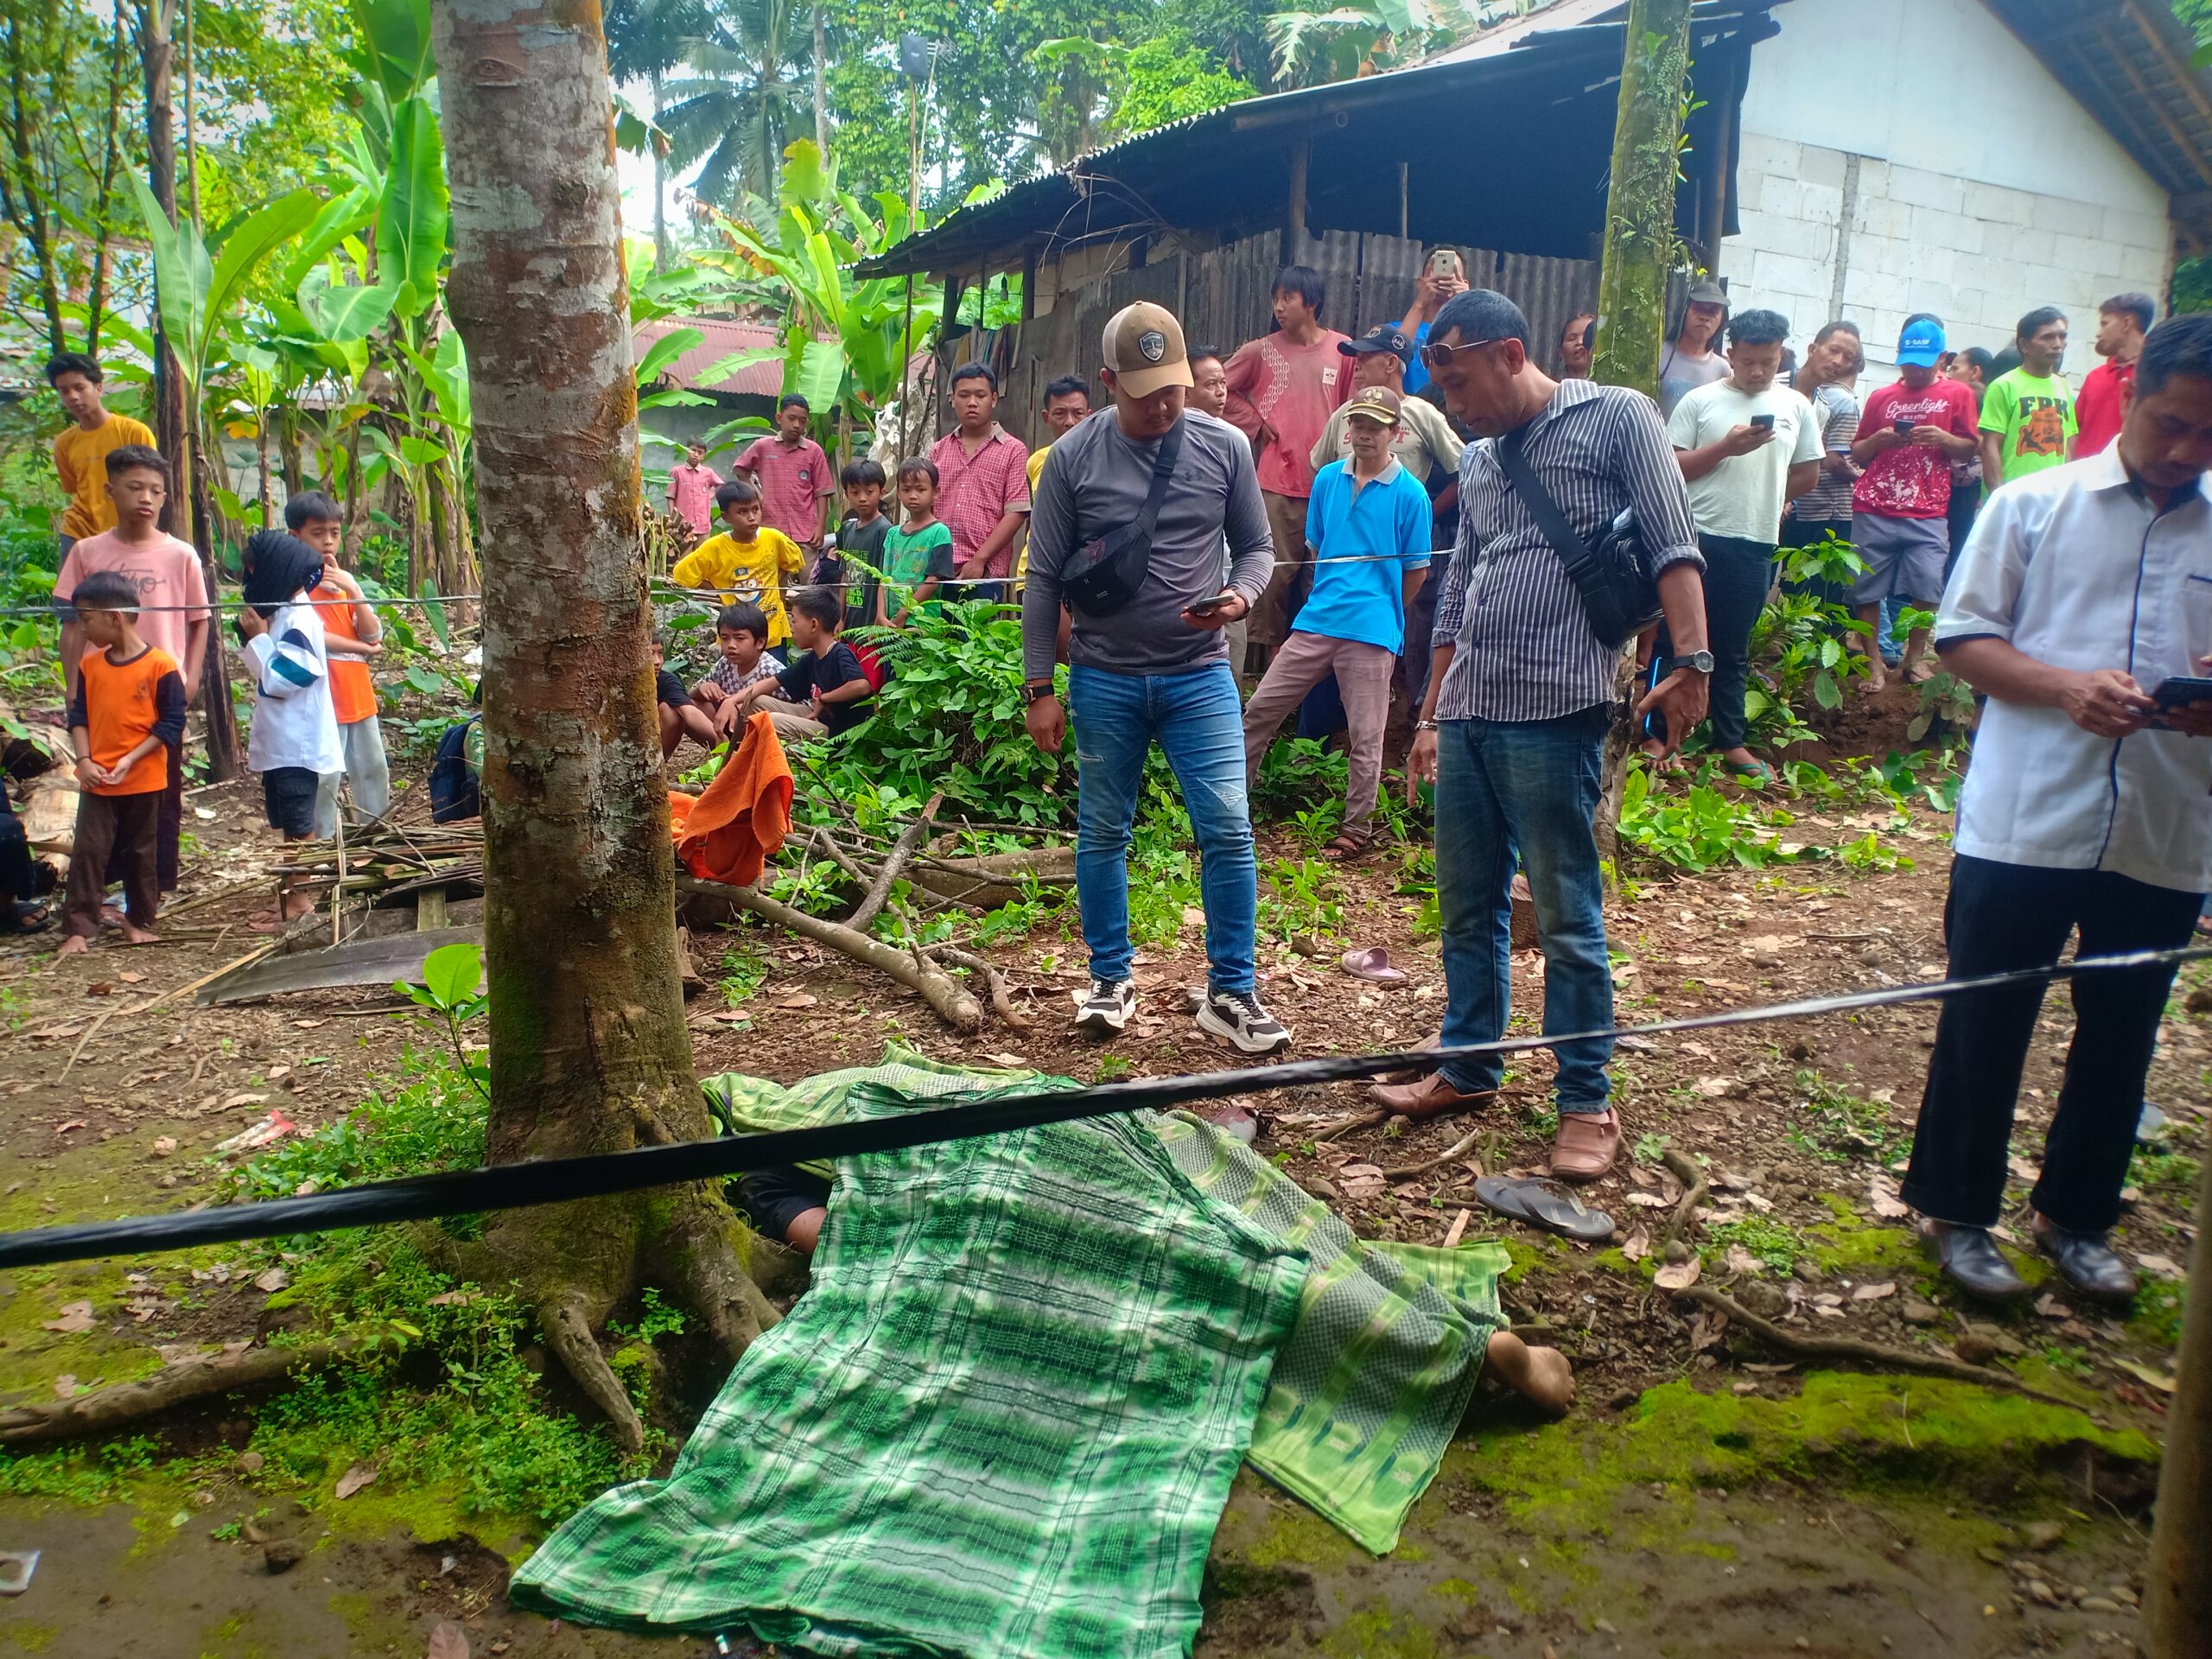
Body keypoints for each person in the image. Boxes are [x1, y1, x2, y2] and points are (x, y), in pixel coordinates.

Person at [1900, 313, 2212, 1307]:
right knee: (1988, 1016)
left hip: (2167, 821)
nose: (2183, 452)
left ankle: (2077, 1217)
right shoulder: (2033, 506)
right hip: (2027, 812)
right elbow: (1962, 640)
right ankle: (1957, 1211)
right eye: (2169, 424)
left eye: (2209, 435)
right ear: (2129, 395)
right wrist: (2064, 688)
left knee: (2124, 1027)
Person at [1374, 289, 1710, 1182]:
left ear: (1510, 352)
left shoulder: (1616, 418)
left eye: (1459, 380)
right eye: (1439, 385)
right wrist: (1430, 713)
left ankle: (1586, 1098)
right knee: (1466, 904)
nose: (1453, 403)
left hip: (1558, 704)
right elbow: (1460, 587)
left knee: (1564, 912)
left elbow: (1675, 541)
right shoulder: (1480, 460)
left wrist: (1696, 660)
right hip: (1473, 706)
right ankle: (1470, 1064)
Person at [1023, 300, 1288, 1055]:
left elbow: (1258, 549)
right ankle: (1110, 976)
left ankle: (1232, 991)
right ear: (1111, 381)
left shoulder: (1225, 446)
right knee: (1104, 830)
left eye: (1174, 386)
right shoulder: (1073, 458)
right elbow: (1042, 582)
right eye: (1147, 393)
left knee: (1230, 830)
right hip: (1104, 675)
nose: (1167, 403)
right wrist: (1040, 690)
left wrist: (1240, 596)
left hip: (1199, 673)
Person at [1243, 387, 1430, 856]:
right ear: (1348, 430)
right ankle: (1231, 808)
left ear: (1395, 432)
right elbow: (1315, 547)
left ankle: (1355, 832)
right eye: (1358, 424)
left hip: (1372, 629)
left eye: (1375, 426)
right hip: (1318, 618)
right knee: (1260, 711)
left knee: (1367, 736)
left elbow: (1417, 571)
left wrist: (1384, 609)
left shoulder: (1411, 494)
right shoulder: (1327, 479)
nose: (1364, 434)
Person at [1661, 308, 1822, 778]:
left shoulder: (1797, 406)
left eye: (1767, 362)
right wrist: (1726, 449)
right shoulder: (1699, 400)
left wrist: (1771, 498)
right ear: (1730, 353)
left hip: (1754, 540)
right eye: (1748, 360)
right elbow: (1672, 469)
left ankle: (1730, 741)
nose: (1756, 371)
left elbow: (1808, 474)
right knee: (1677, 641)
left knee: (1732, 649)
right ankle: (1661, 737)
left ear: (1781, 357)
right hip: (1692, 538)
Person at [53, 445, 207, 897]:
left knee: (160, 787)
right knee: (103, 785)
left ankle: (153, 885)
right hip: (103, 688)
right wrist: (73, 684)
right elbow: (72, 626)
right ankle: (103, 882)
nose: (146, 497)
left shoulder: (181, 556)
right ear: (110, 489)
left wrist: (191, 676)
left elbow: (199, 622)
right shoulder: (87, 551)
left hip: (160, 687)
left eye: (156, 490)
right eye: (135, 486)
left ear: (164, 499)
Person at [1845, 316, 1980, 690]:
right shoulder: (1881, 398)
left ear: (1942, 359)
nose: (1914, 372)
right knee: (1866, 589)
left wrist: (1943, 438)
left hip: (1929, 508)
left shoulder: (1958, 395)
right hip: (1874, 505)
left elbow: (1971, 447)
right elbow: (1857, 451)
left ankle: (1914, 660)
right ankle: (1874, 664)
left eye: (1922, 365)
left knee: (1928, 588)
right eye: (1907, 364)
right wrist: (1879, 442)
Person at [1224, 266, 1352, 657]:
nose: (1279, 307)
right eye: (1276, 298)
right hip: (1276, 482)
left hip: (1330, 486)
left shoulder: (1343, 350)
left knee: (1319, 580)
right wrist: (1256, 423)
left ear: (1310, 302)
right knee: (1274, 579)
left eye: (1288, 298)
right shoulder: (1261, 351)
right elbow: (1219, 389)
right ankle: (1264, 681)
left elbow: (1351, 407)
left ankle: (1306, 679)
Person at [57, 572, 185, 955]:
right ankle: (79, 928)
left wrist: (131, 758)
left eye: (88, 618)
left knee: (142, 851)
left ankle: (139, 920)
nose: (83, 626)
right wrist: (84, 761)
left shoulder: (161, 666)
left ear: (114, 617)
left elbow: (171, 723)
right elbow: (79, 716)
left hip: (143, 778)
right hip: (98, 779)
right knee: (89, 851)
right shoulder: (91, 666)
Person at [238, 531, 344, 927]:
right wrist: (260, 638)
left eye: (253, 569)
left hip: (297, 745)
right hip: (283, 744)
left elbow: (288, 677)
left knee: (301, 828)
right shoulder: (283, 615)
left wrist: (260, 640)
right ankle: (290, 895)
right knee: (288, 825)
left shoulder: (299, 619)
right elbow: (265, 675)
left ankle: (300, 900)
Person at [284, 493, 391, 839]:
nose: (328, 541)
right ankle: (323, 842)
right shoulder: (294, 586)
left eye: (334, 532)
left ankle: (373, 834)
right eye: (318, 533)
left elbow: (372, 630)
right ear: (295, 536)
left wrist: (354, 588)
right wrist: (362, 647)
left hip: (357, 689)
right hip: (322, 692)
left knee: (372, 766)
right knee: (325, 774)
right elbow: (314, 636)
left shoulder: (341, 581)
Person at [1309, 326, 1465, 482]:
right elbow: (1316, 466)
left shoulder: (1422, 414)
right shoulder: (1345, 413)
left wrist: (1428, 506)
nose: (1356, 366)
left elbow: (1464, 466)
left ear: (1391, 363)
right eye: (1357, 359)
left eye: (1365, 358)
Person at [929, 363, 1031, 603]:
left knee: (977, 639)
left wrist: (980, 560)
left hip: (984, 572)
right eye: (964, 395)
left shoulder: (1013, 450)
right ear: (952, 399)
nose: (972, 402)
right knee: (932, 639)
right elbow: (925, 508)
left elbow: (1016, 512)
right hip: (936, 572)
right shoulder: (939, 450)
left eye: (980, 395)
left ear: (993, 399)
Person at [671, 478, 806, 652]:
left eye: (755, 509)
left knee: (775, 678)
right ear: (726, 517)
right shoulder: (715, 547)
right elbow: (682, 574)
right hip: (736, 635)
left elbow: (793, 561)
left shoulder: (774, 538)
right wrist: (720, 593)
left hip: (772, 629)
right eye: (743, 512)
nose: (751, 517)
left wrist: (772, 583)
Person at [45, 353, 156, 556]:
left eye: (79, 388)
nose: (72, 396)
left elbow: (152, 488)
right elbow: (75, 489)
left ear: (98, 387)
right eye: (64, 391)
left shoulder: (134, 432)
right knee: (69, 590)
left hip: (125, 533)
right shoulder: (64, 443)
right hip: (78, 533)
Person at [733, 586, 875, 742]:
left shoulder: (839, 653)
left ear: (814, 625)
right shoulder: (813, 658)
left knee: (773, 722)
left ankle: (797, 762)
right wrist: (731, 701)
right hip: (818, 719)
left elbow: (861, 686)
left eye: (794, 621)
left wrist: (824, 698)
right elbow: (771, 682)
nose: (792, 628)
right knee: (758, 702)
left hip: (839, 735)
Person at [1186, 345, 1252, 680]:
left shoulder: (1233, 443)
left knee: (1228, 673)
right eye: (1210, 384)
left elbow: (1255, 540)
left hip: (1227, 587)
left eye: (1223, 383)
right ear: (1184, 389)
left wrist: (1240, 589)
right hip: (1184, 589)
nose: (1221, 392)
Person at [1783, 320, 1864, 572]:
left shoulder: (1822, 408)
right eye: (1833, 350)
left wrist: (1785, 500)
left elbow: (1805, 463)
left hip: (1789, 506)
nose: (1838, 361)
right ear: (1812, 349)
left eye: (1847, 357)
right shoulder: (1773, 386)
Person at [1978, 307, 2076, 490]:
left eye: (2062, 337)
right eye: (2047, 337)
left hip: (2051, 497)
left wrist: (2066, 491)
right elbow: (1990, 447)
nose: (2057, 344)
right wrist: (1999, 499)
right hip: (2012, 496)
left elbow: (2068, 443)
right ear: (2024, 345)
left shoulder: (2064, 387)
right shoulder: (2003, 386)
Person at [734, 396, 834, 555]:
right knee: (773, 577)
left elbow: (822, 492)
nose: (796, 425)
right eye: (792, 418)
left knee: (809, 577)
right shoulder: (763, 446)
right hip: (771, 528)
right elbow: (740, 469)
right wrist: (757, 494)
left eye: (802, 421)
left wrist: (820, 527)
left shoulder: (814, 451)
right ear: (779, 418)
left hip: (806, 532)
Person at [2075, 292, 2155, 459]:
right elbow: (2074, 432)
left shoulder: (2156, 376)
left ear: (2126, 323)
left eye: (2105, 324)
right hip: (2084, 479)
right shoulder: (2094, 377)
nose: (2098, 333)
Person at [880, 458, 957, 626]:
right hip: (889, 620)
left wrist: (905, 612)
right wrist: (880, 615)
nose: (913, 496)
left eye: (921, 489)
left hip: (922, 622)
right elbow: (883, 578)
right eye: (906, 489)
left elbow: (934, 581)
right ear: (898, 493)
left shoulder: (939, 532)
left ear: (935, 492)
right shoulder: (893, 534)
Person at [817, 459, 890, 629]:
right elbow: (845, 575)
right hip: (850, 619)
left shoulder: (885, 529)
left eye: (869, 491)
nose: (862, 498)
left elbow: (885, 580)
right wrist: (841, 618)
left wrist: (878, 620)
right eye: (855, 492)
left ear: (882, 492)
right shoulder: (848, 529)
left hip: (871, 620)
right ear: (846, 494)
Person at [696, 601, 785, 738]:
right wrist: (703, 688)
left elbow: (794, 709)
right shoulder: (726, 663)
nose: (731, 645)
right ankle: (722, 747)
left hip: (764, 734)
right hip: (732, 729)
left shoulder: (770, 669)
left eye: (740, 638)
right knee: (692, 705)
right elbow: (690, 694)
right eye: (725, 638)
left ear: (760, 642)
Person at [1393, 247, 1468, 398]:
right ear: (1420, 283)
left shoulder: (1469, 329)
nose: (1444, 277)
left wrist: (1467, 303)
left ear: (1463, 283)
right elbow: (1393, 356)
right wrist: (1421, 303)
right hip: (1410, 417)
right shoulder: (1395, 330)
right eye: (1435, 271)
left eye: (1452, 272)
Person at [1658, 277, 1730, 415]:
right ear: (1684, 313)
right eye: (1698, 309)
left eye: (1713, 312)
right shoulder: (1659, 354)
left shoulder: (1722, 370)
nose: (1704, 317)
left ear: (1722, 320)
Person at [653, 635, 719, 760]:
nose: (657, 661)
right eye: (650, 653)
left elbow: (690, 712)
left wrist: (723, 743)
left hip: (647, 743)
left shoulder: (666, 680)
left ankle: (655, 768)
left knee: (671, 712)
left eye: (660, 653)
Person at [1027, 375, 1094, 492]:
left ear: (1089, 417)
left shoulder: (1101, 461)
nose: (1070, 422)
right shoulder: (1036, 461)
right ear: (1046, 418)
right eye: (1060, 413)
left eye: (1078, 413)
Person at [665, 442, 722, 543]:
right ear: (687, 451)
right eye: (693, 450)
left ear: (703, 456)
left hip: (703, 524)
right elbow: (670, 497)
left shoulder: (708, 473)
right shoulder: (676, 472)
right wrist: (673, 519)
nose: (696, 455)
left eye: (700, 453)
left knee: (702, 556)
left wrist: (710, 494)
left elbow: (721, 486)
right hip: (683, 525)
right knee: (684, 556)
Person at [1559, 313, 1596, 380]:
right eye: (1572, 338)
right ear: (1561, 352)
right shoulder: (1555, 389)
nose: (1580, 342)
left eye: (1587, 337)